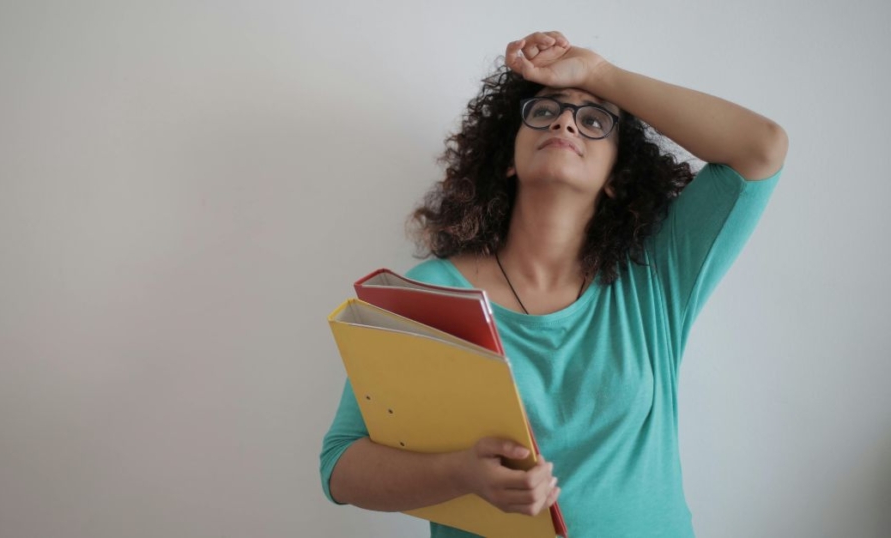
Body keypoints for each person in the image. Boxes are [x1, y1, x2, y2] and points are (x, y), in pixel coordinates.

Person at [320, 30, 787, 538]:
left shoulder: (656, 273)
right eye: (544, 112)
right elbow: (341, 466)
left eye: (593, 121)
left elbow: (761, 149)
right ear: (507, 157)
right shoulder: (430, 294)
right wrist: (460, 475)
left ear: (616, 175)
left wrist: (597, 74)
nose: (566, 120)